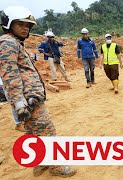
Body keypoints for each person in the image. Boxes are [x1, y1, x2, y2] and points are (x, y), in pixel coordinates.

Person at [0, 6, 76, 177]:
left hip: (29, 99)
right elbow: (9, 75)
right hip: (28, 100)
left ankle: (40, 164)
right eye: (20, 24)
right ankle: (56, 167)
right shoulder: (8, 44)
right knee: (47, 131)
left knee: (32, 133)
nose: (25, 28)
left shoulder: (15, 43)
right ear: (9, 24)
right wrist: (19, 103)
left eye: (28, 25)